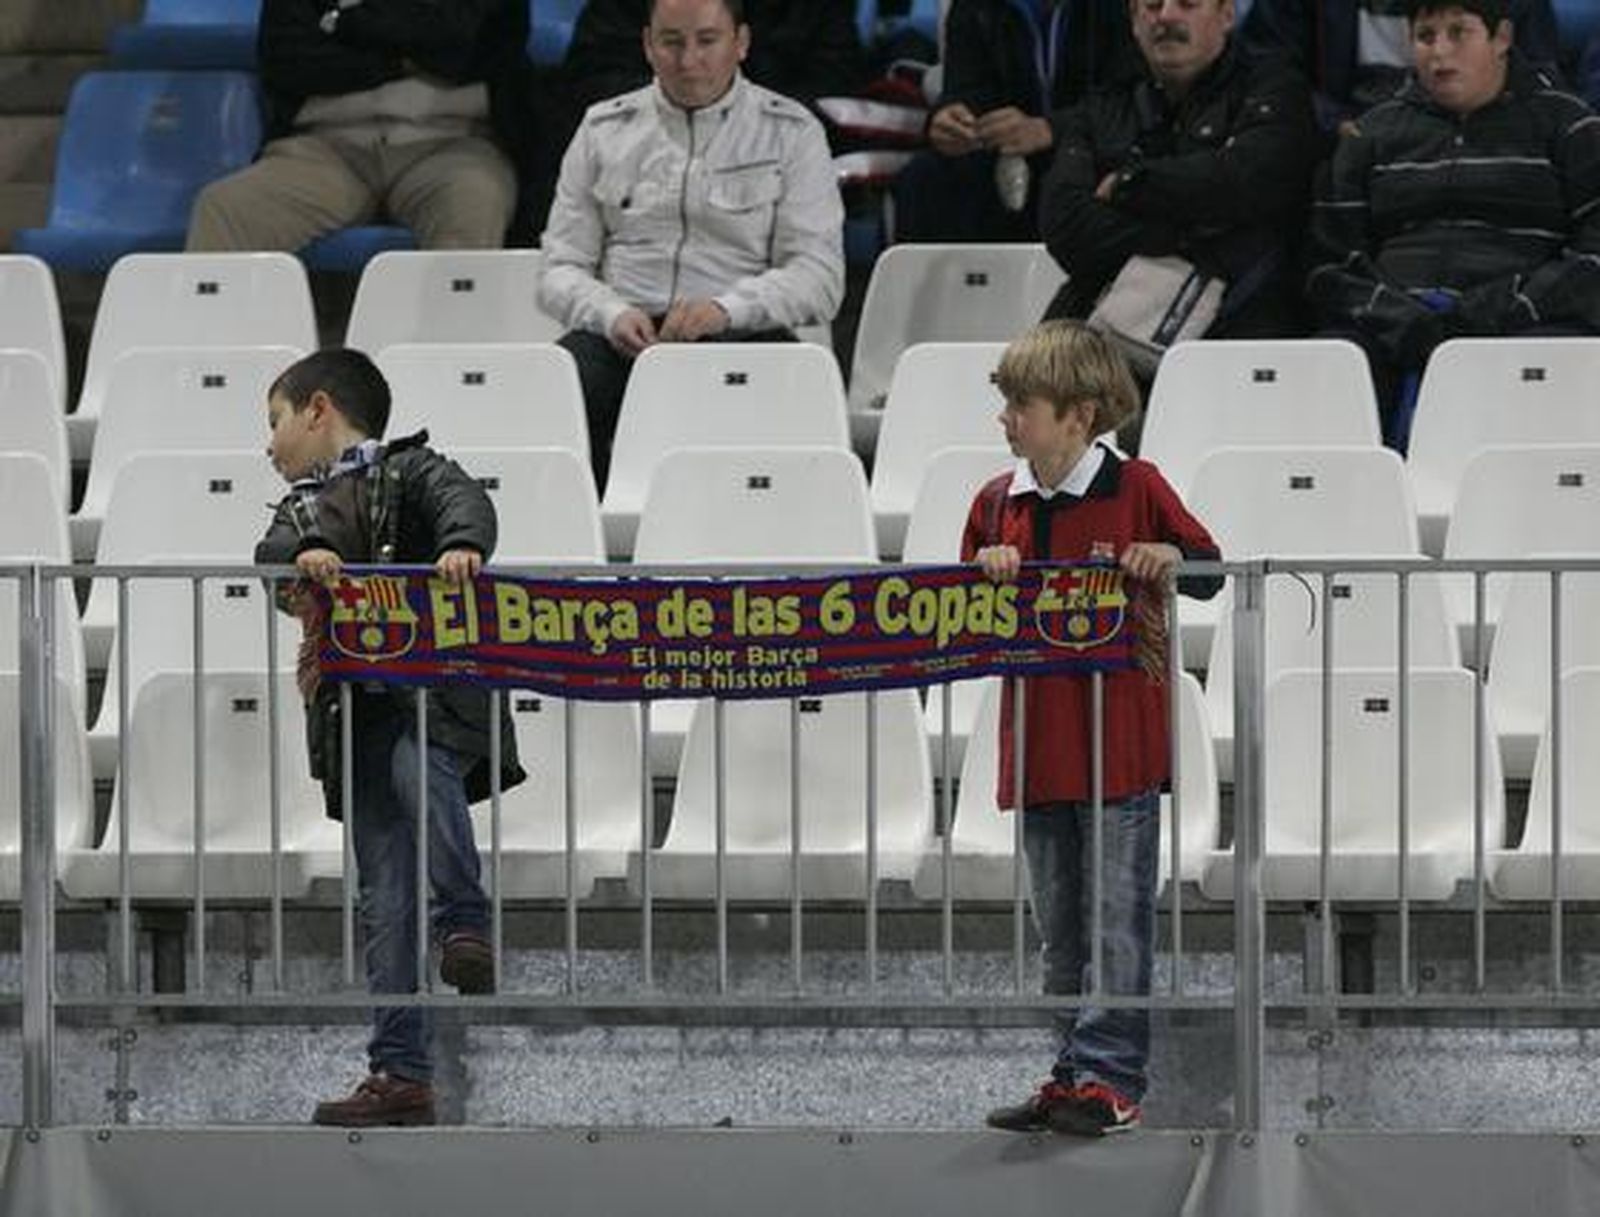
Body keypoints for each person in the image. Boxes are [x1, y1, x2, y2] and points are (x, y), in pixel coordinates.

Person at [964, 320, 1221, 1137]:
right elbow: (962, 611)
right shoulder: (993, 503)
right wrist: (983, 573)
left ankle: (1112, 1079)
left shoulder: (1138, 484)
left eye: (1022, 404)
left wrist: (1166, 556)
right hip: (1039, 748)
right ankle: (1070, 1070)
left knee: (1118, 922)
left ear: (1078, 415)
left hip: (1121, 755)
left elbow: (1211, 567)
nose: (1007, 420)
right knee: (1060, 932)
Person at [256, 349, 525, 1127]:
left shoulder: (416, 468)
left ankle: (464, 921)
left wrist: (460, 545)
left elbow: (465, 505)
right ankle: (400, 1069)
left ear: (317, 410)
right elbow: (272, 559)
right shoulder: (298, 510)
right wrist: (300, 560)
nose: (269, 446)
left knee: (425, 776)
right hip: (355, 719)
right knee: (382, 896)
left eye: (274, 421)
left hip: (432, 699)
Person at [538, 0, 845, 488]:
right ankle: (578, 538)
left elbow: (818, 277)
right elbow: (559, 268)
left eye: (706, 41)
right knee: (557, 383)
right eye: (672, 42)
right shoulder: (602, 128)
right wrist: (610, 313)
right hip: (624, 334)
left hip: (742, 330)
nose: (688, 61)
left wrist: (727, 309)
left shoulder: (791, 131)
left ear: (740, 43)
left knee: (768, 384)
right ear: (647, 45)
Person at [1307, 0, 1600, 448]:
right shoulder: (1370, 134)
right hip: (1394, 329)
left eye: (1458, 33)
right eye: (1426, 37)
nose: (1439, 52)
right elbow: (1329, 264)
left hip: (1523, 323)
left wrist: (1502, 310)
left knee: (1556, 360)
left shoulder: (1570, 124)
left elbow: (1592, 258)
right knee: (1331, 361)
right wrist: (1402, 320)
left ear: (1501, 38)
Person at [1037, 0, 1318, 338]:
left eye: (1188, 4)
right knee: (1042, 370)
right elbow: (1064, 220)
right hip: (1106, 317)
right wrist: (1193, 235)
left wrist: (1130, 185)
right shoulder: (1105, 104)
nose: (1168, 16)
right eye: (1152, 6)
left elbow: (1249, 181)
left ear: (1226, 15)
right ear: (1133, 21)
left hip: (1242, 319)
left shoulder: (1276, 90)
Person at [187, 0, 540, 251]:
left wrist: (349, 24)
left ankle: (451, 354)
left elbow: (478, 45)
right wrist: (407, 56)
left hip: (452, 143)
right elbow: (287, 57)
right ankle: (214, 354)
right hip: (324, 150)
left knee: (473, 201)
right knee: (225, 207)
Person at [893, 0, 1138, 243]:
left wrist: (1049, 128)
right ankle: (942, 282)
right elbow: (966, 90)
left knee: (1111, 176)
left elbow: (1132, 101)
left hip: (1096, 147)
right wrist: (948, 120)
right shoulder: (974, 6)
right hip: (1007, 153)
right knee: (926, 177)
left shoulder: (1122, 8)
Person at [1240, 0, 1561, 143]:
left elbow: (1539, 84)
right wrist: (1333, 123)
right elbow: (1267, 70)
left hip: (1475, 145)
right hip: (1343, 147)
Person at [561, 0, 869, 116]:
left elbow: (832, 91)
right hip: (647, 152)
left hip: (771, 160)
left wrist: (739, 116)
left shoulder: (818, 8)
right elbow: (594, 77)